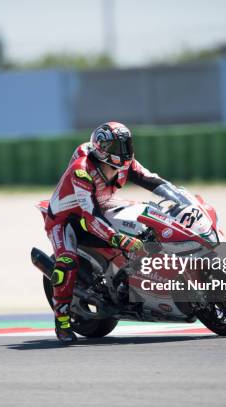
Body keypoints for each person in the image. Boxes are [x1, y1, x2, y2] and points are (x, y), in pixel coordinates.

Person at [44, 121, 168, 343]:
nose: (124, 152)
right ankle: (62, 321)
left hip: (101, 206)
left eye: (126, 145)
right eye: (117, 147)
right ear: (101, 148)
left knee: (148, 219)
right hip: (66, 219)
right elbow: (90, 217)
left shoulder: (124, 164)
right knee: (67, 262)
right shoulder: (81, 171)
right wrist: (120, 239)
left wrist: (179, 195)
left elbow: (152, 180)